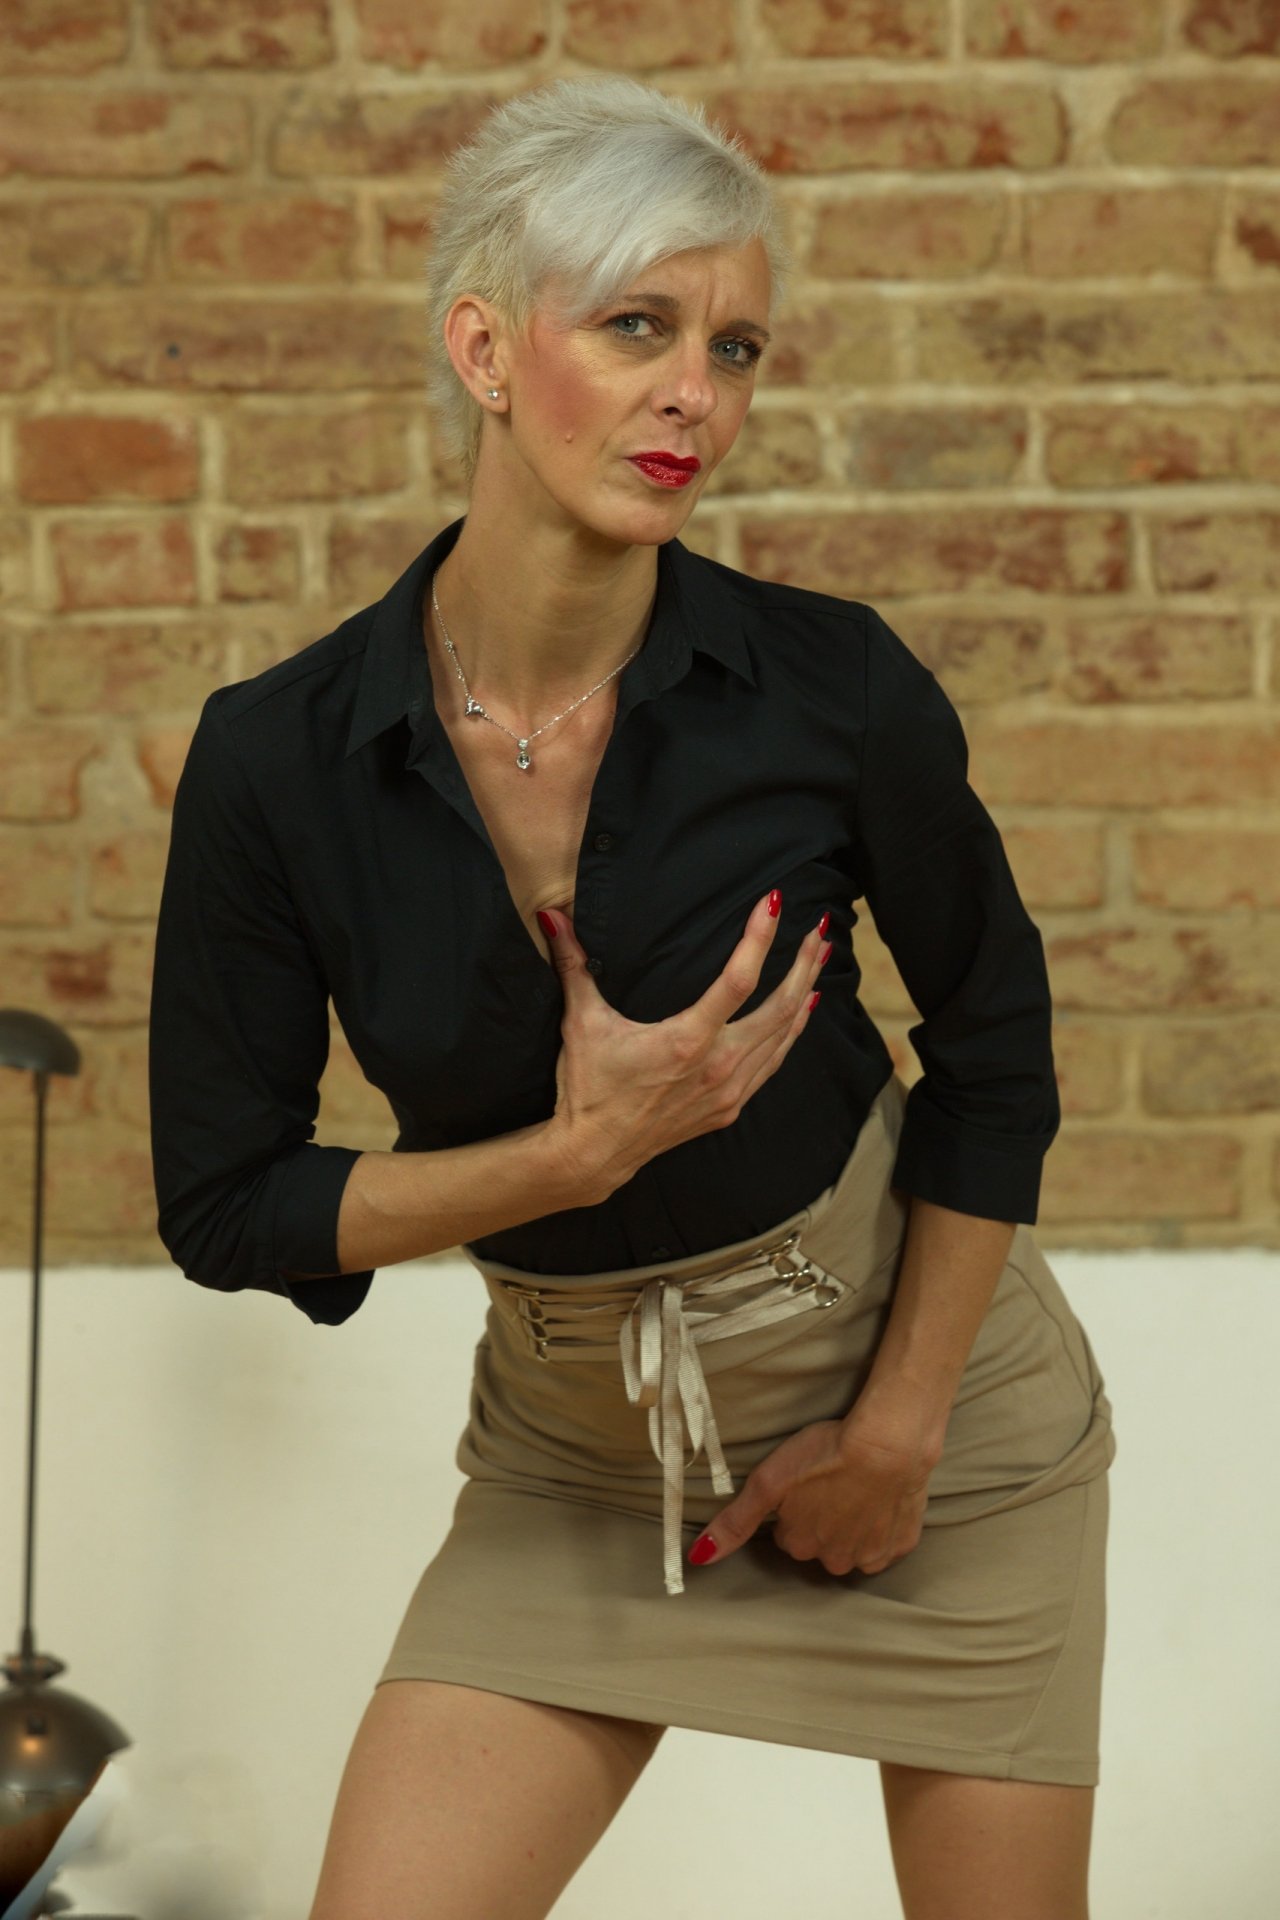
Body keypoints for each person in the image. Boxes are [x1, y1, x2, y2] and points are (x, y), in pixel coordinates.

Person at [147, 73, 1117, 1920]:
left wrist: (897, 1435)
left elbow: (997, 1045)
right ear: (485, 350)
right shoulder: (275, 761)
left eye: (734, 348)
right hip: (578, 1460)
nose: (697, 394)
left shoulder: (833, 690)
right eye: (638, 328)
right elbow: (227, 1204)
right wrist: (570, 1160)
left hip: (934, 1433)